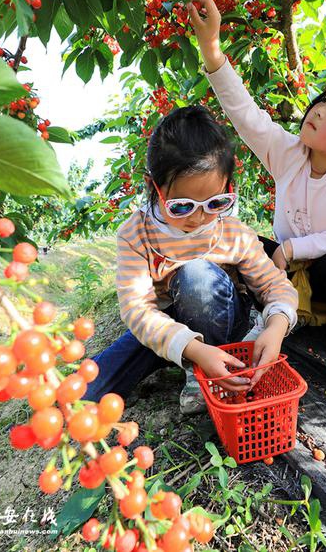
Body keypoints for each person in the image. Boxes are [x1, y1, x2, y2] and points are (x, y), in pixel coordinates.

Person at [188, 0, 326, 362]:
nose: (319, 109)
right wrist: (212, 49)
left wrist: (290, 249)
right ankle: (273, 312)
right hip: (282, 275)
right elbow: (245, 114)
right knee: (229, 241)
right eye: (325, 99)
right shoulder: (289, 154)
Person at [84, 105, 299, 414]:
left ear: (228, 186)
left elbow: (274, 284)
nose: (199, 218)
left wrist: (276, 325)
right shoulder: (136, 235)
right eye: (182, 206)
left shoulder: (233, 232)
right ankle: (192, 360)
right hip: (170, 327)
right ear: (153, 187)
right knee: (86, 392)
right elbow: (138, 310)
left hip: (223, 321)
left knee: (196, 276)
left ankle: (202, 377)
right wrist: (192, 348)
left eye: (215, 203)